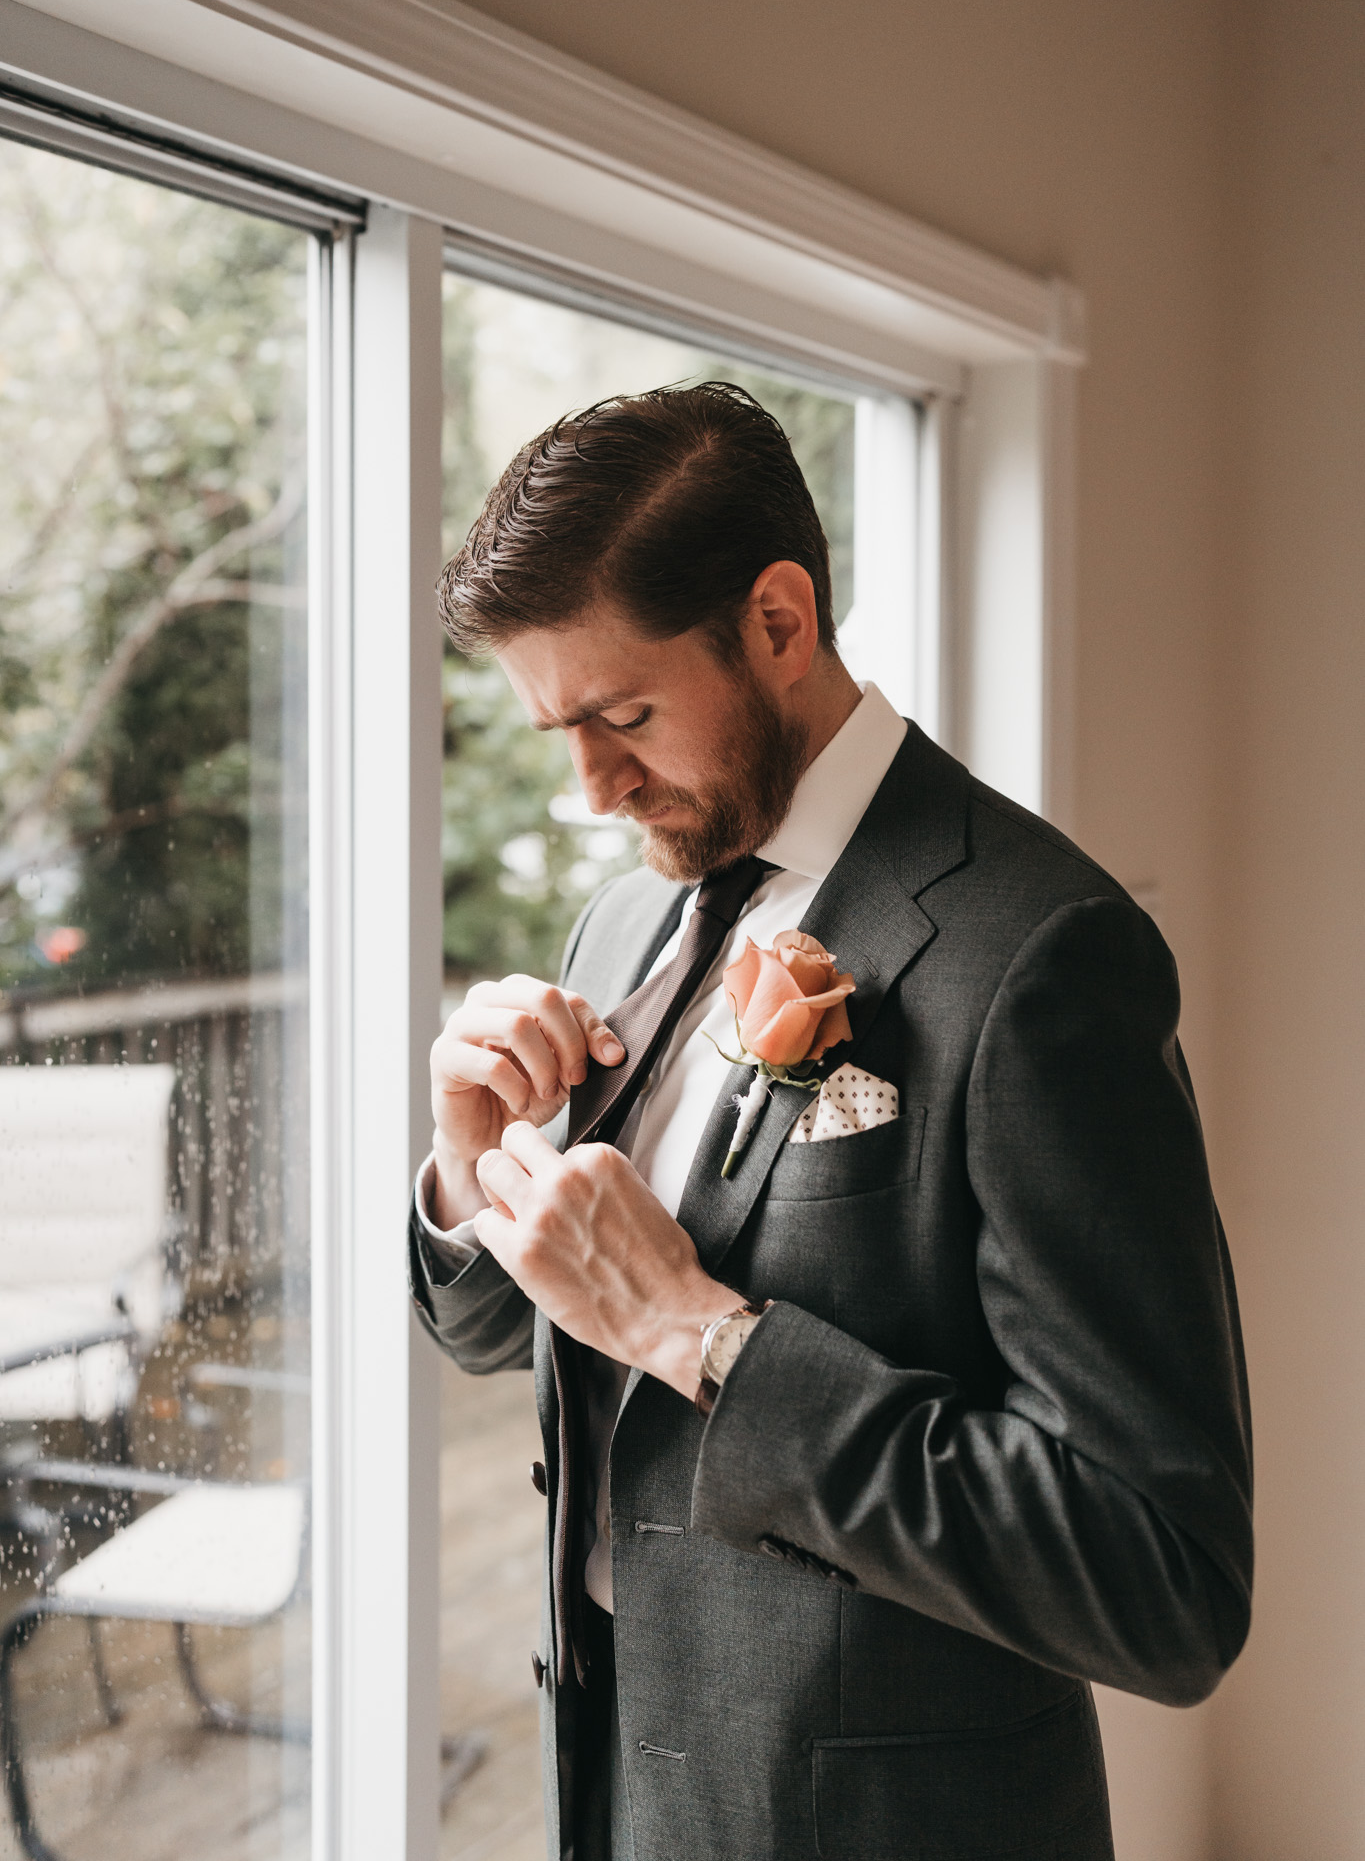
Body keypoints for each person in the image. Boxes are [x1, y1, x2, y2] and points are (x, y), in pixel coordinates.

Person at [409, 382, 1252, 1861]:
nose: (594, 786)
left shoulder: (1040, 952)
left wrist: (704, 1338)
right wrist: (471, 1173)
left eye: (621, 716)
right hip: (621, 1795)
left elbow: (1160, 1581)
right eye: (559, 730)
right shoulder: (623, 920)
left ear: (779, 621)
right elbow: (502, 1334)